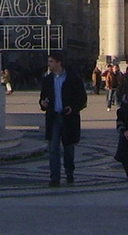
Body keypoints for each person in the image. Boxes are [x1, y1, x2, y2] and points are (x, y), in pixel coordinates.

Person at [39, 51, 87, 187]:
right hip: (53, 117)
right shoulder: (47, 80)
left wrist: (73, 108)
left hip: (68, 118)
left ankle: (69, 172)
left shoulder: (73, 79)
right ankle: (54, 177)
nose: (49, 64)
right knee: (53, 148)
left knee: (68, 148)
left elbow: (82, 99)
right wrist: (43, 104)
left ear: (59, 63)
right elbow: (42, 97)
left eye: (51, 61)